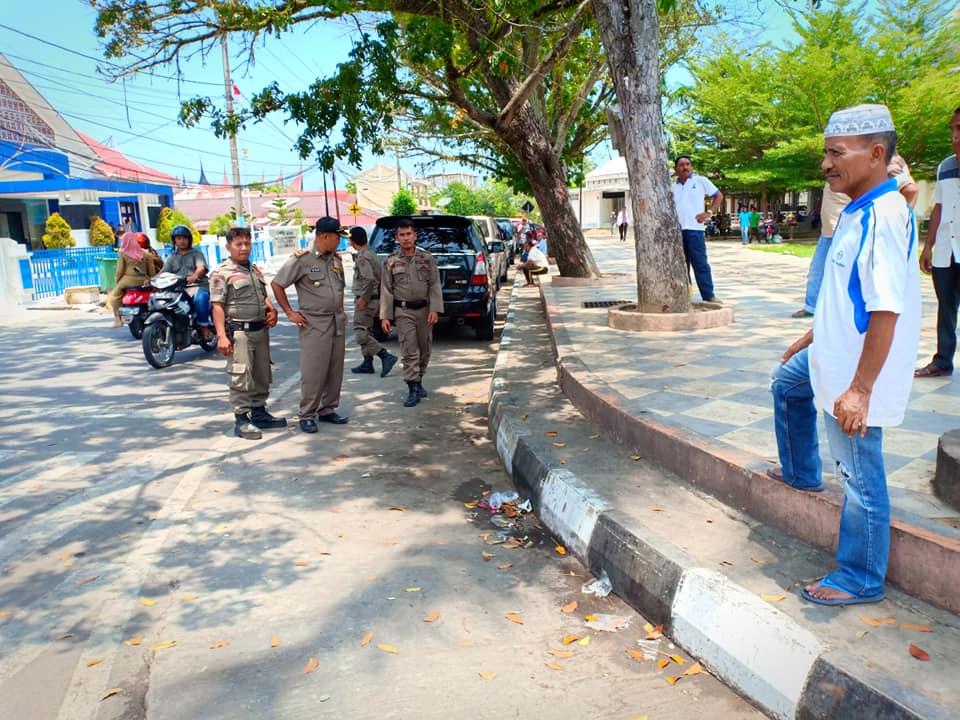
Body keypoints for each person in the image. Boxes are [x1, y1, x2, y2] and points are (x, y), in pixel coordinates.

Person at [769, 104, 920, 606]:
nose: (826, 164)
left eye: (836, 153)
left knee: (859, 475)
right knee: (786, 384)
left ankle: (861, 575)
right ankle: (800, 473)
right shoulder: (858, 208)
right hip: (829, 355)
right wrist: (814, 334)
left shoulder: (882, 214)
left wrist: (860, 390)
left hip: (855, 373)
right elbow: (848, 291)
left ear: (876, 154)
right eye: (825, 153)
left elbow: (884, 309)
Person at [792, 156, 918, 319]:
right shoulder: (852, 159)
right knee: (819, 272)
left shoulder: (885, 160)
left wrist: (898, 222)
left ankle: (833, 312)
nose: (825, 163)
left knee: (849, 278)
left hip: (851, 231)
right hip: (832, 229)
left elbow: (910, 189)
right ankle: (814, 307)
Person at [271, 217, 350, 432]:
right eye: (337, 237)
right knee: (314, 371)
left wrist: (341, 310)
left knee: (335, 369)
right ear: (324, 236)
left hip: (336, 321)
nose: (339, 242)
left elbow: (339, 287)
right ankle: (307, 413)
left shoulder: (336, 260)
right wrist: (289, 312)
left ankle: (328, 409)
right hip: (314, 322)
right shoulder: (302, 260)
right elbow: (277, 284)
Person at [209, 226, 283, 440]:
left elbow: (263, 296)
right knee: (241, 374)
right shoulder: (222, 273)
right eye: (238, 244)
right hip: (239, 332)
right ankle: (241, 419)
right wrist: (222, 336)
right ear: (228, 247)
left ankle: (259, 412)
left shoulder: (254, 270)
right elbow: (217, 306)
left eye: (247, 243)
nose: (243, 248)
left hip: (260, 330)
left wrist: (272, 310)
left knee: (261, 373)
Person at [915, 107, 960, 378]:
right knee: (946, 308)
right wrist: (928, 246)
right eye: (953, 129)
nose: (955, 136)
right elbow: (939, 209)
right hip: (946, 250)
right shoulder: (945, 167)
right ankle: (943, 361)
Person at [379, 217, 443, 407]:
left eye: (409, 234)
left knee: (425, 349)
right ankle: (412, 387)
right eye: (402, 235)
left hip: (424, 311)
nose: (406, 238)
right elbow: (386, 289)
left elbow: (434, 285)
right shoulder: (391, 261)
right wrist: (385, 316)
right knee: (409, 350)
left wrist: (434, 309)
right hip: (403, 310)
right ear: (397, 238)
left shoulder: (427, 259)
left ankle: (419, 379)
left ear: (415, 236)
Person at [671, 155, 723, 303]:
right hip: (677, 232)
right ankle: (685, 296)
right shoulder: (672, 187)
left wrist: (709, 213)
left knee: (700, 264)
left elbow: (718, 196)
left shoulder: (700, 181)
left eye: (688, 164)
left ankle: (709, 295)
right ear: (676, 169)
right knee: (681, 266)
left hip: (695, 230)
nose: (685, 167)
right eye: (681, 165)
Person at [348, 226, 398, 377]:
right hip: (373, 298)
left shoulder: (363, 257)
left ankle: (385, 355)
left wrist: (363, 298)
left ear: (352, 241)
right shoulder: (370, 253)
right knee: (367, 330)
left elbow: (369, 279)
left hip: (367, 300)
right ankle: (367, 362)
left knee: (360, 332)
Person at [161, 225, 212, 338]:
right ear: (174, 240)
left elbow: (201, 267)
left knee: (200, 298)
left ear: (189, 240)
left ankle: (204, 327)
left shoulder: (196, 253)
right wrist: (152, 280)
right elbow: (163, 272)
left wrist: (195, 275)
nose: (182, 241)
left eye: (184, 238)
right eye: (178, 238)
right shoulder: (171, 257)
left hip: (197, 286)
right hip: (179, 288)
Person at [107, 231, 157, 326]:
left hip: (127, 281)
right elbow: (152, 272)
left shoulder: (123, 254)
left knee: (114, 297)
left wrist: (117, 281)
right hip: (144, 280)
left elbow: (119, 271)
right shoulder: (146, 254)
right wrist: (151, 280)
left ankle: (117, 319)